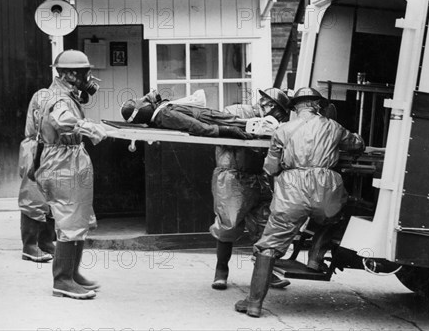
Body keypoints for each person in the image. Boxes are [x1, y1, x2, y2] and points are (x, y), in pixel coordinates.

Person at [235, 87, 364, 318]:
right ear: (318, 105)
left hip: (292, 190)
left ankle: (253, 304)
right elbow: (357, 144)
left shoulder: (283, 129)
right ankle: (315, 257)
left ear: (295, 107)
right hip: (326, 187)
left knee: (268, 246)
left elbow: (270, 168)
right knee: (336, 215)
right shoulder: (334, 127)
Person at [32, 50, 107, 299]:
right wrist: (88, 127)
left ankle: (73, 274)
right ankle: (62, 280)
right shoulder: (58, 97)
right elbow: (62, 121)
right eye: (85, 72)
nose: (89, 77)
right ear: (69, 74)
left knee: (78, 220)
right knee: (68, 220)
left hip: (71, 158)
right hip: (62, 161)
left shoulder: (65, 94)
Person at [210, 88, 292, 292]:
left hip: (258, 176)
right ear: (271, 106)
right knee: (228, 225)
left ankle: (265, 273)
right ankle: (221, 271)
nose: (282, 118)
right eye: (281, 113)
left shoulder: (275, 124)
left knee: (266, 225)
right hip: (232, 175)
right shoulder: (237, 111)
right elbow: (219, 132)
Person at [17, 91, 56, 263]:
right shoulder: (45, 96)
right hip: (38, 148)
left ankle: (46, 242)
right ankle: (29, 245)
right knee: (33, 197)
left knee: (51, 198)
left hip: (53, 149)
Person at [121, 89, 253, 139]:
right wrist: (228, 130)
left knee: (249, 124)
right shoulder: (165, 115)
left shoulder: (161, 114)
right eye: (142, 101)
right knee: (252, 126)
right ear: (142, 111)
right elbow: (196, 126)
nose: (146, 99)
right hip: (214, 120)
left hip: (212, 117)